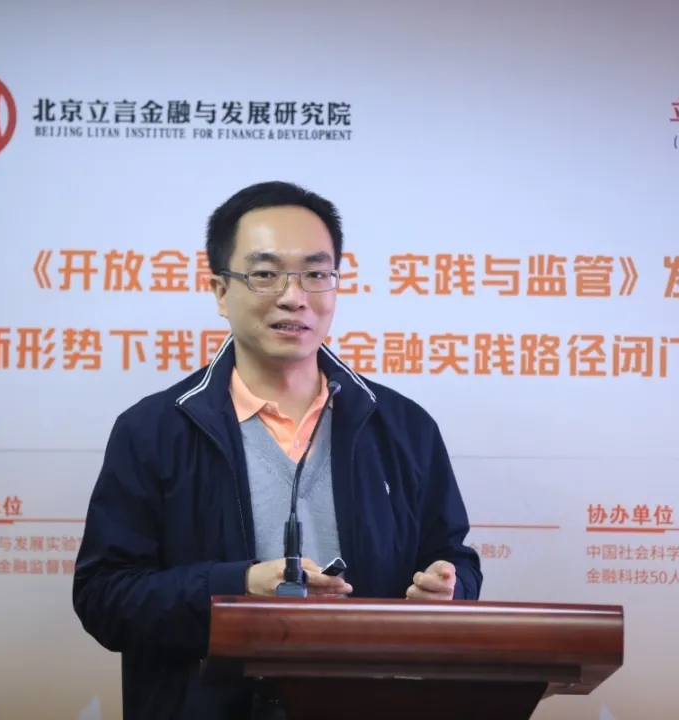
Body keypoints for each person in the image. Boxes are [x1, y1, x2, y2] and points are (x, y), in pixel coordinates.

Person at [72, 181, 483, 719]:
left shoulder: (403, 426)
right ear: (221, 292)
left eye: (316, 274)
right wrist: (238, 587)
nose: (294, 297)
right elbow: (105, 598)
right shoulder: (153, 430)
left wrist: (449, 588)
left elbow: (454, 558)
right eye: (265, 274)